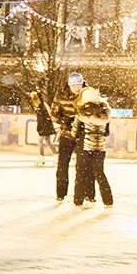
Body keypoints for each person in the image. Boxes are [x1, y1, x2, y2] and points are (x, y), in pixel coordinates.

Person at [71, 86, 113, 208]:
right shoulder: (105, 112)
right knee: (99, 173)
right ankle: (108, 200)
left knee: (81, 173)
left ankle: (78, 200)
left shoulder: (82, 113)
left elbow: (75, 133)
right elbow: (107, 132)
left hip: (85, 146)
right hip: (100, 147)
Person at [52, 72, 86, 202]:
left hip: (83, 135)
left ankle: (81, 194)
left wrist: (82, 122)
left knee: (82, 166)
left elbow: (95, 112)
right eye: (74, 86)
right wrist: (64, 120)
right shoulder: (61, 96)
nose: (77, 88)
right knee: (62, 164)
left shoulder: (87, 95)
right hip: (66, 134)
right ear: (69, 85)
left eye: (79, 85)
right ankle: (61, 193)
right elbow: (54, 113)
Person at [31, 90, 56, 165]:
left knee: (40, 141)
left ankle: (41, 157)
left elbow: (45, 118)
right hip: (45, 127)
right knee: (48, 143)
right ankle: (56, 155)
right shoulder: (40, 106)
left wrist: (42, 128)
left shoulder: (42, 106)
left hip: (45, 127)